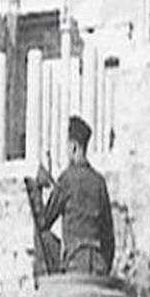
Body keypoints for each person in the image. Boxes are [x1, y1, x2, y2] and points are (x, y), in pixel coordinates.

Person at [34, 116, 116, 275]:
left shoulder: (66, 179)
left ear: (73, 147)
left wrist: (38, 189)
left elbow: (43, 222)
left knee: (43, 236)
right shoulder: (100, 182)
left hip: (74, 264)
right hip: (99, 267)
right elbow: (109, 238)